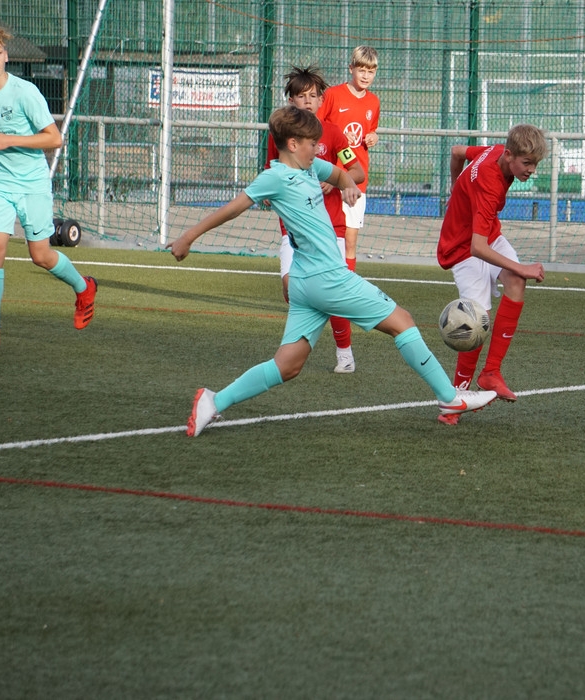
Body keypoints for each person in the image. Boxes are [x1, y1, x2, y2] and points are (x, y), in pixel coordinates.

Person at [167, 106, 496, 437]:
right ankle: (449, 397)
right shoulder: (274, 176)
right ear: (292, 144)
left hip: (306, 281)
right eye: (312, 144)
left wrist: (348, 185)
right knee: (403, 321)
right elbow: (232, 209)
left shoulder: (310, 168)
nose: (317, 149)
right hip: (327, 278)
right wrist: (187, 237)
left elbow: (341, 174)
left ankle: (213, 401)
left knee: (288, 365)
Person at [0, 25, 96, 353]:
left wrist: (8, 140)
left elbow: (54, 138)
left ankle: (84, 288)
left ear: (6, 55)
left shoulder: (25, 92)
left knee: (40, 256)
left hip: (32, 184)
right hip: (0, 184)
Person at [435, 125, 548, 425]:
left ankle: (491, 372)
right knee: (477, 320)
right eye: (527, 163)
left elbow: (457, 152)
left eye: (535, 164)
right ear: (509, 155)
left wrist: (455, 188)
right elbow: (477, 248)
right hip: (462, 246)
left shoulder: (496, 150)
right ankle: (455, 401)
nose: (532, 170)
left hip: (486, 235)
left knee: (516, 282)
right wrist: (523, 267)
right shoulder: (490, 184)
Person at [266, 64, 365, 373]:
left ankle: (344, 353)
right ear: (290, 101)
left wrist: (337, 181)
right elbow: (270, 171)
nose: (307, 101)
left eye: (312, 96)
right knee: (289, 287)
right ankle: (296, 350)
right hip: (294, 229)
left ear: (322, 100)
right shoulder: (280, 136)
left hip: (331, 227)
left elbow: (357, 171)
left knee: (334, 295)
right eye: (301, 96)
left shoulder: (332, 134)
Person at [315, 45, 380, 274]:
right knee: (325, 235)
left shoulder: (374, 102)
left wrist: (373, 136)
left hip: (355, 178)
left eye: (370, 71)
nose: (365, 76)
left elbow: (370, 129)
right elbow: (316, 127)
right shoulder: (333, 95)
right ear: (351, 68)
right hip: (329, 176)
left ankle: (346, 282)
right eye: (361, 70)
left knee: (350, 240)